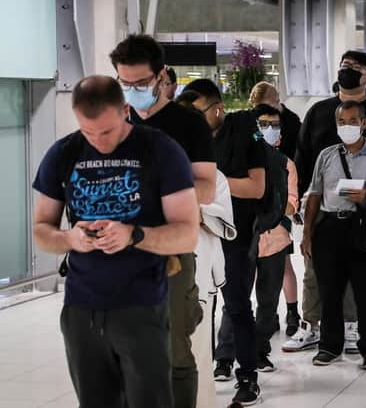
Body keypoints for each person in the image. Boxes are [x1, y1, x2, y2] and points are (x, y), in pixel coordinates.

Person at [32, 75, 200, 408]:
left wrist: (134, 235)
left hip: (142, 304)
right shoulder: (64, 153)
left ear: (125, 111)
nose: (97, 141)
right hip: (81, 308)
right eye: (87, 131)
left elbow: (187, 232)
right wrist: (70, 238)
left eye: (106, 131)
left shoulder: (160, 150)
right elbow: (41, 229)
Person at [109, 34, 216, 408]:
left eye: (140, 83)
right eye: (125, 83)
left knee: (174, 349)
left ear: (161, 76)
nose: (133, 91)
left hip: (170, 252)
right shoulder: (113, 122)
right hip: (117, 254)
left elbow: (206, 187)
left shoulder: (188, 124)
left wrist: (159, 188)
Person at [290, 50, 366, 353]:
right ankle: (312, 325)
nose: (347, 71)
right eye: (344, 66)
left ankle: (355, 327)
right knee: (317, 272)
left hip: (365, 214)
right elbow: (303, 158)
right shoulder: (318, 112)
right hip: (324, 209)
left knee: (360, 277)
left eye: (355, 68)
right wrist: (298, 203)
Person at [182, 78, 265, 405]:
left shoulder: (247, 129)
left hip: (235, 233)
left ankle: (248, 376)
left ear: (217, 108)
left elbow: (256, 187)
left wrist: (212, 184)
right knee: (199, 307)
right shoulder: (187, 139)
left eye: (198, 112)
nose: (193, 120)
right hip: (193, 237)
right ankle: (216, 363)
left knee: (237, 305)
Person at [301, 100, 366, 370]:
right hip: (330, 227)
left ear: (364, 123)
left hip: (364, 227)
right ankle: (329, 346)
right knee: (329, 290)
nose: (347, 126)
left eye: (353, 121)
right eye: (342, 122)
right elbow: (315, 194)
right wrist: (308, 232)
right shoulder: (327, 155)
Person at [214, 104, 298, 374]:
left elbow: (291, 203)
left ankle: (259, 350)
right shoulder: (236, 159)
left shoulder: (285, 163)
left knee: (267, 301)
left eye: (275, 125)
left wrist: (266, 205)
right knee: (235, 302)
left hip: (274, 240)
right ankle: (225, 357)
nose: (268, 130)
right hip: (242, 240)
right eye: (263, 124)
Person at [249, 82, 302, 336]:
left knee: (283, 265)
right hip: (254, 222)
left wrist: (281, 209)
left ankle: (292, 311)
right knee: (261, 271)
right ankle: (265, 317)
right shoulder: (250, 132)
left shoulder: (290, 125)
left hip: (280, 215)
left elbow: (292, 197)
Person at [249, 81, 301, 161]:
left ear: (277, 101)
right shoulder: (254, 117)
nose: (260, 112)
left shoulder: (292, 124)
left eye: (263, 108)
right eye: (256, 108)